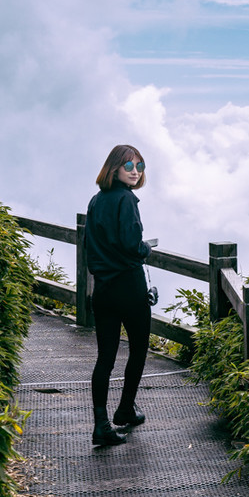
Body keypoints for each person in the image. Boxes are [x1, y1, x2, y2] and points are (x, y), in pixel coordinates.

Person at [83, 144, 155, 446]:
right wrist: (145, 249)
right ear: (115, 168)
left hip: (103, 289)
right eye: (129, 165)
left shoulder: (96, 201)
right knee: (138, 350)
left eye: (140, 166)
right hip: (129, 286)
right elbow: (131, 243)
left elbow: (90, 247)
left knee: (105, 359)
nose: (135, 171)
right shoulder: (127, 200)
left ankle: (102, 425)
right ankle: (125, 409)